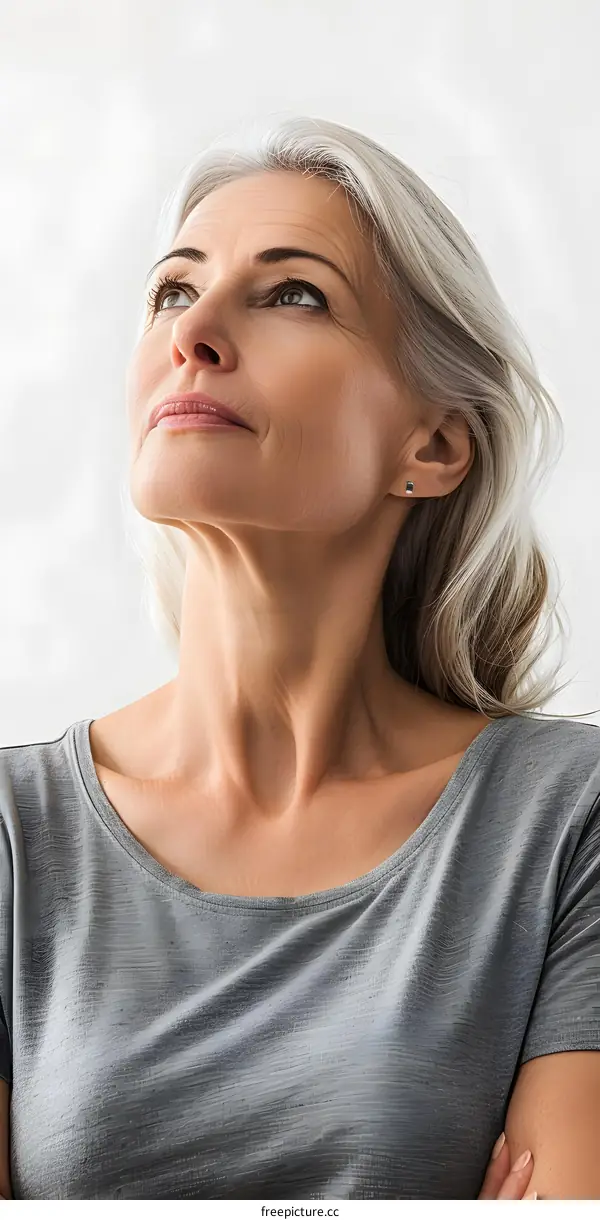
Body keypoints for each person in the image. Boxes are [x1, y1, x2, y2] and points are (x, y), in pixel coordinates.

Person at [0, 115, 598, 1201]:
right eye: (174, 291)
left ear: (433, 446)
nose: (197, 333)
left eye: (293, 294)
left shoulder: (566, 824)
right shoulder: (10, 829)